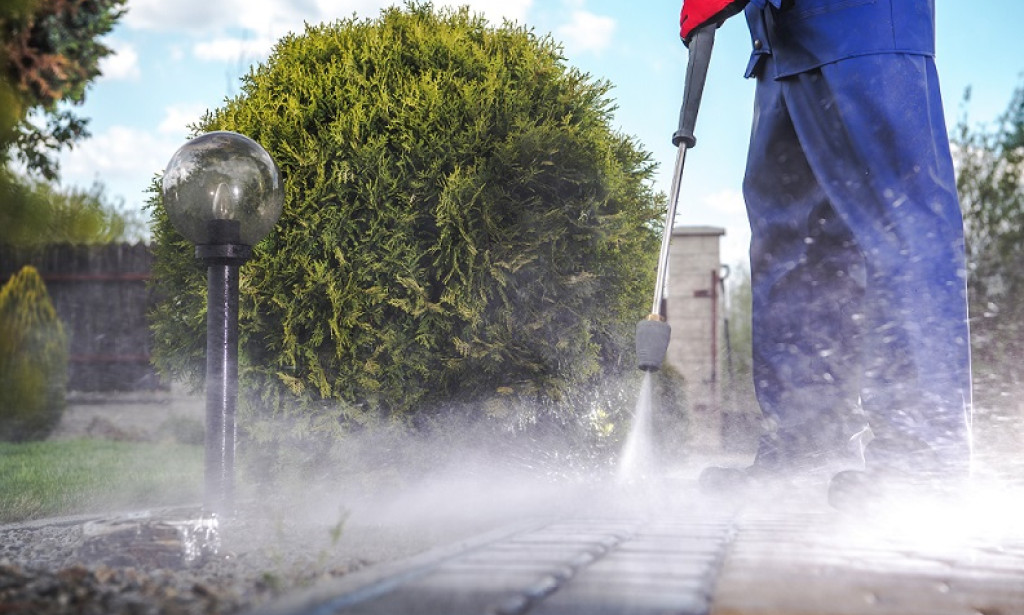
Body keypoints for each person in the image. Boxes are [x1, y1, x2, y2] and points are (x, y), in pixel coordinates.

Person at [680, 0, 973, 504]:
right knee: (793, 242)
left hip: (864, 28)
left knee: (901, 221)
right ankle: (806, 448)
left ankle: (922, 464)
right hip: (780, 43)